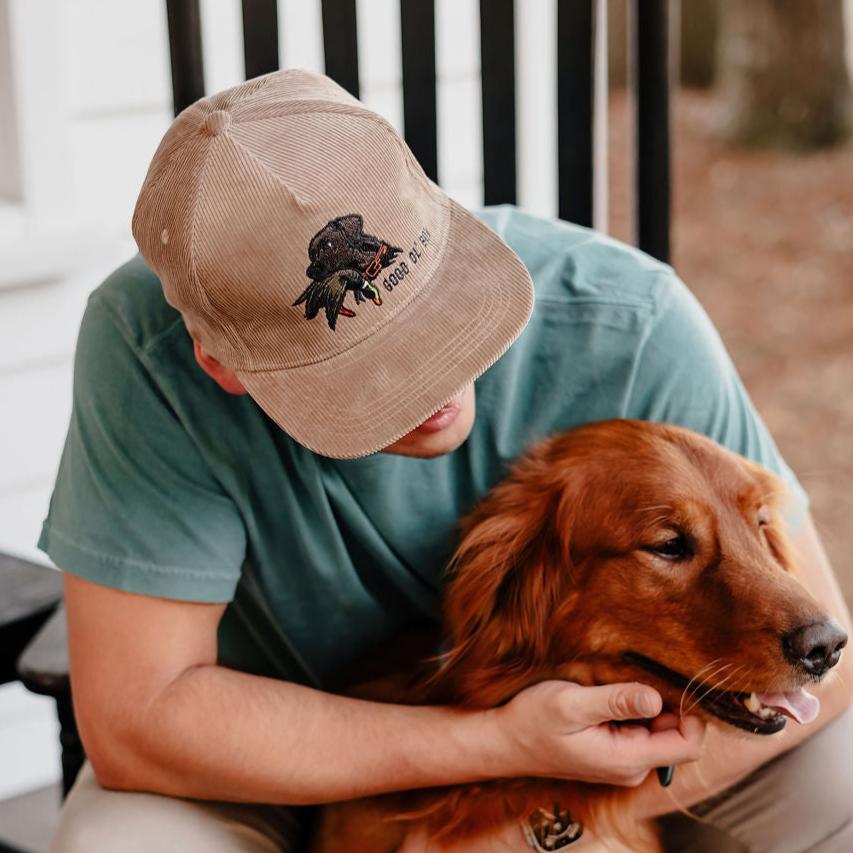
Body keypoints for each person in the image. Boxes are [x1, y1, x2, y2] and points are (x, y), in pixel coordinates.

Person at [42, 69, 851, 852]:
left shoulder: (632, 319)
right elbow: (142, 719)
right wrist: (494, 752)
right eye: (369, 364)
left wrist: (527, 821)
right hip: (267, 746)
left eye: (436, 310)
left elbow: (825, 655)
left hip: (617, 744)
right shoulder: (146, 354)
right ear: (222, 364)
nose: (437, 379)